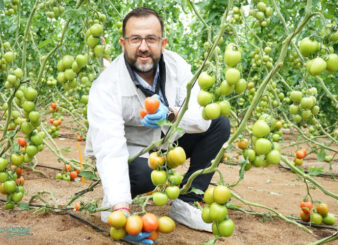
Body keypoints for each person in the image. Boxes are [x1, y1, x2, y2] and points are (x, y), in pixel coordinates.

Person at [85, 6, 230, 239]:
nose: (143, 47)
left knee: (218, 123)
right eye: (135, 39)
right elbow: (109, 148)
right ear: (123, 44)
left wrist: (171, 114)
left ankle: (187, 202)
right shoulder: (106, 86)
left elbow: (201, 118)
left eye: (151, 39)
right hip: (133, 154)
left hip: (168, 144)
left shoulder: (178, 67)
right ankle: (115, 200)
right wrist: (120, 212)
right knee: (144, 174)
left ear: (163, 43)